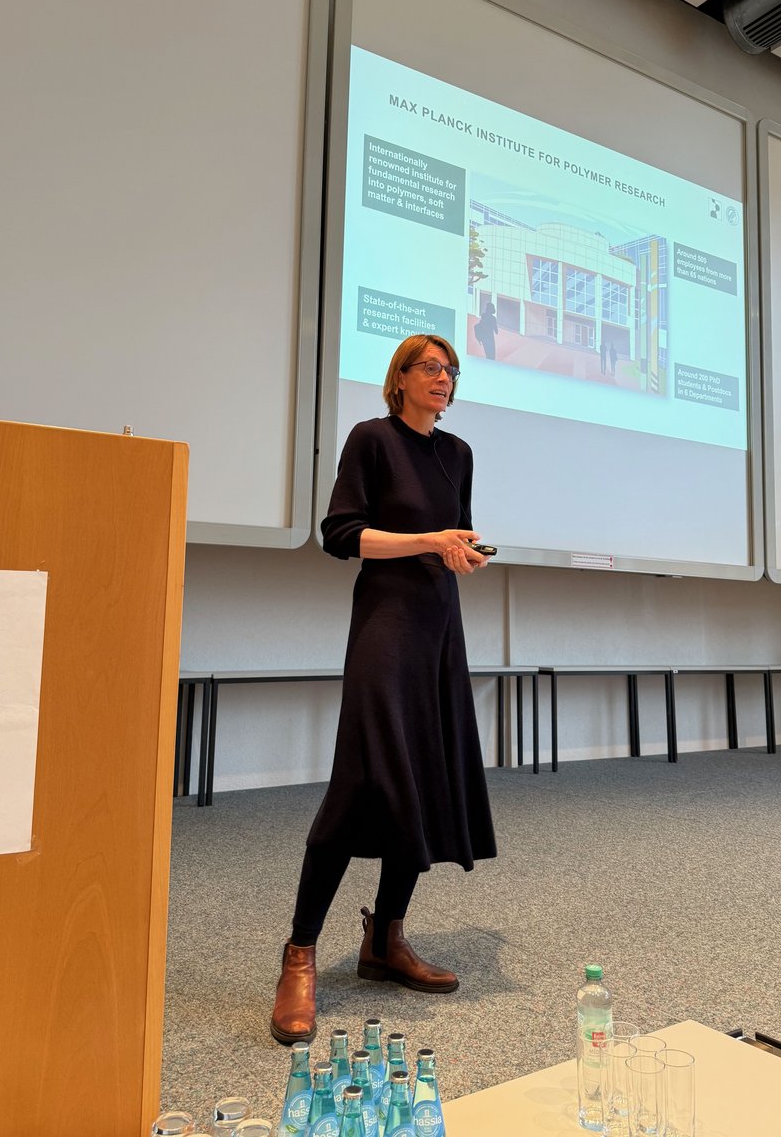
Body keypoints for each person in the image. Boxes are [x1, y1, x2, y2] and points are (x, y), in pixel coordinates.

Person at [270, 333, 497, 1045]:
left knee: (424, 781)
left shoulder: (457, 454)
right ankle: (299, 954)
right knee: (362, 781)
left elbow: (446, 533)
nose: (444, 378)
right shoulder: (371, 439)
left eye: (451, 370)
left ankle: (385, 940)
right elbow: (341, 534)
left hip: (438, 630)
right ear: (397, 378)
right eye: (430, 367)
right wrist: (430, 539)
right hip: (386, 628)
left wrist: (456, 546)